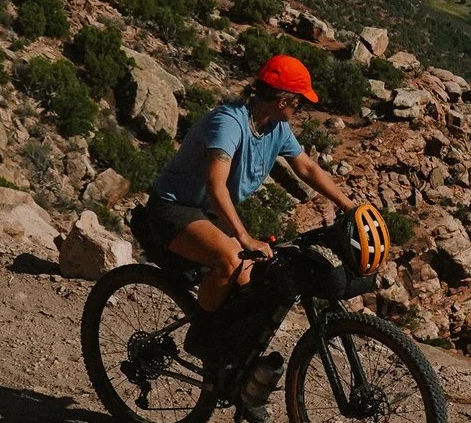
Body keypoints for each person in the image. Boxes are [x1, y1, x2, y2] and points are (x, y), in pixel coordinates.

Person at [135, 53, 356, 318]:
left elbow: (306, 168)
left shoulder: (277, 127)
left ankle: (231, 352)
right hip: (174, 206)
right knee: (231, 259)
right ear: (285, 100)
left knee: (256, 282)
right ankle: (203, 328)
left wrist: (348, 205)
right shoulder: (228, 124)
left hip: (209, 214)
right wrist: (244, 237)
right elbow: (216, 185)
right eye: (300, 104)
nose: (299, 110)